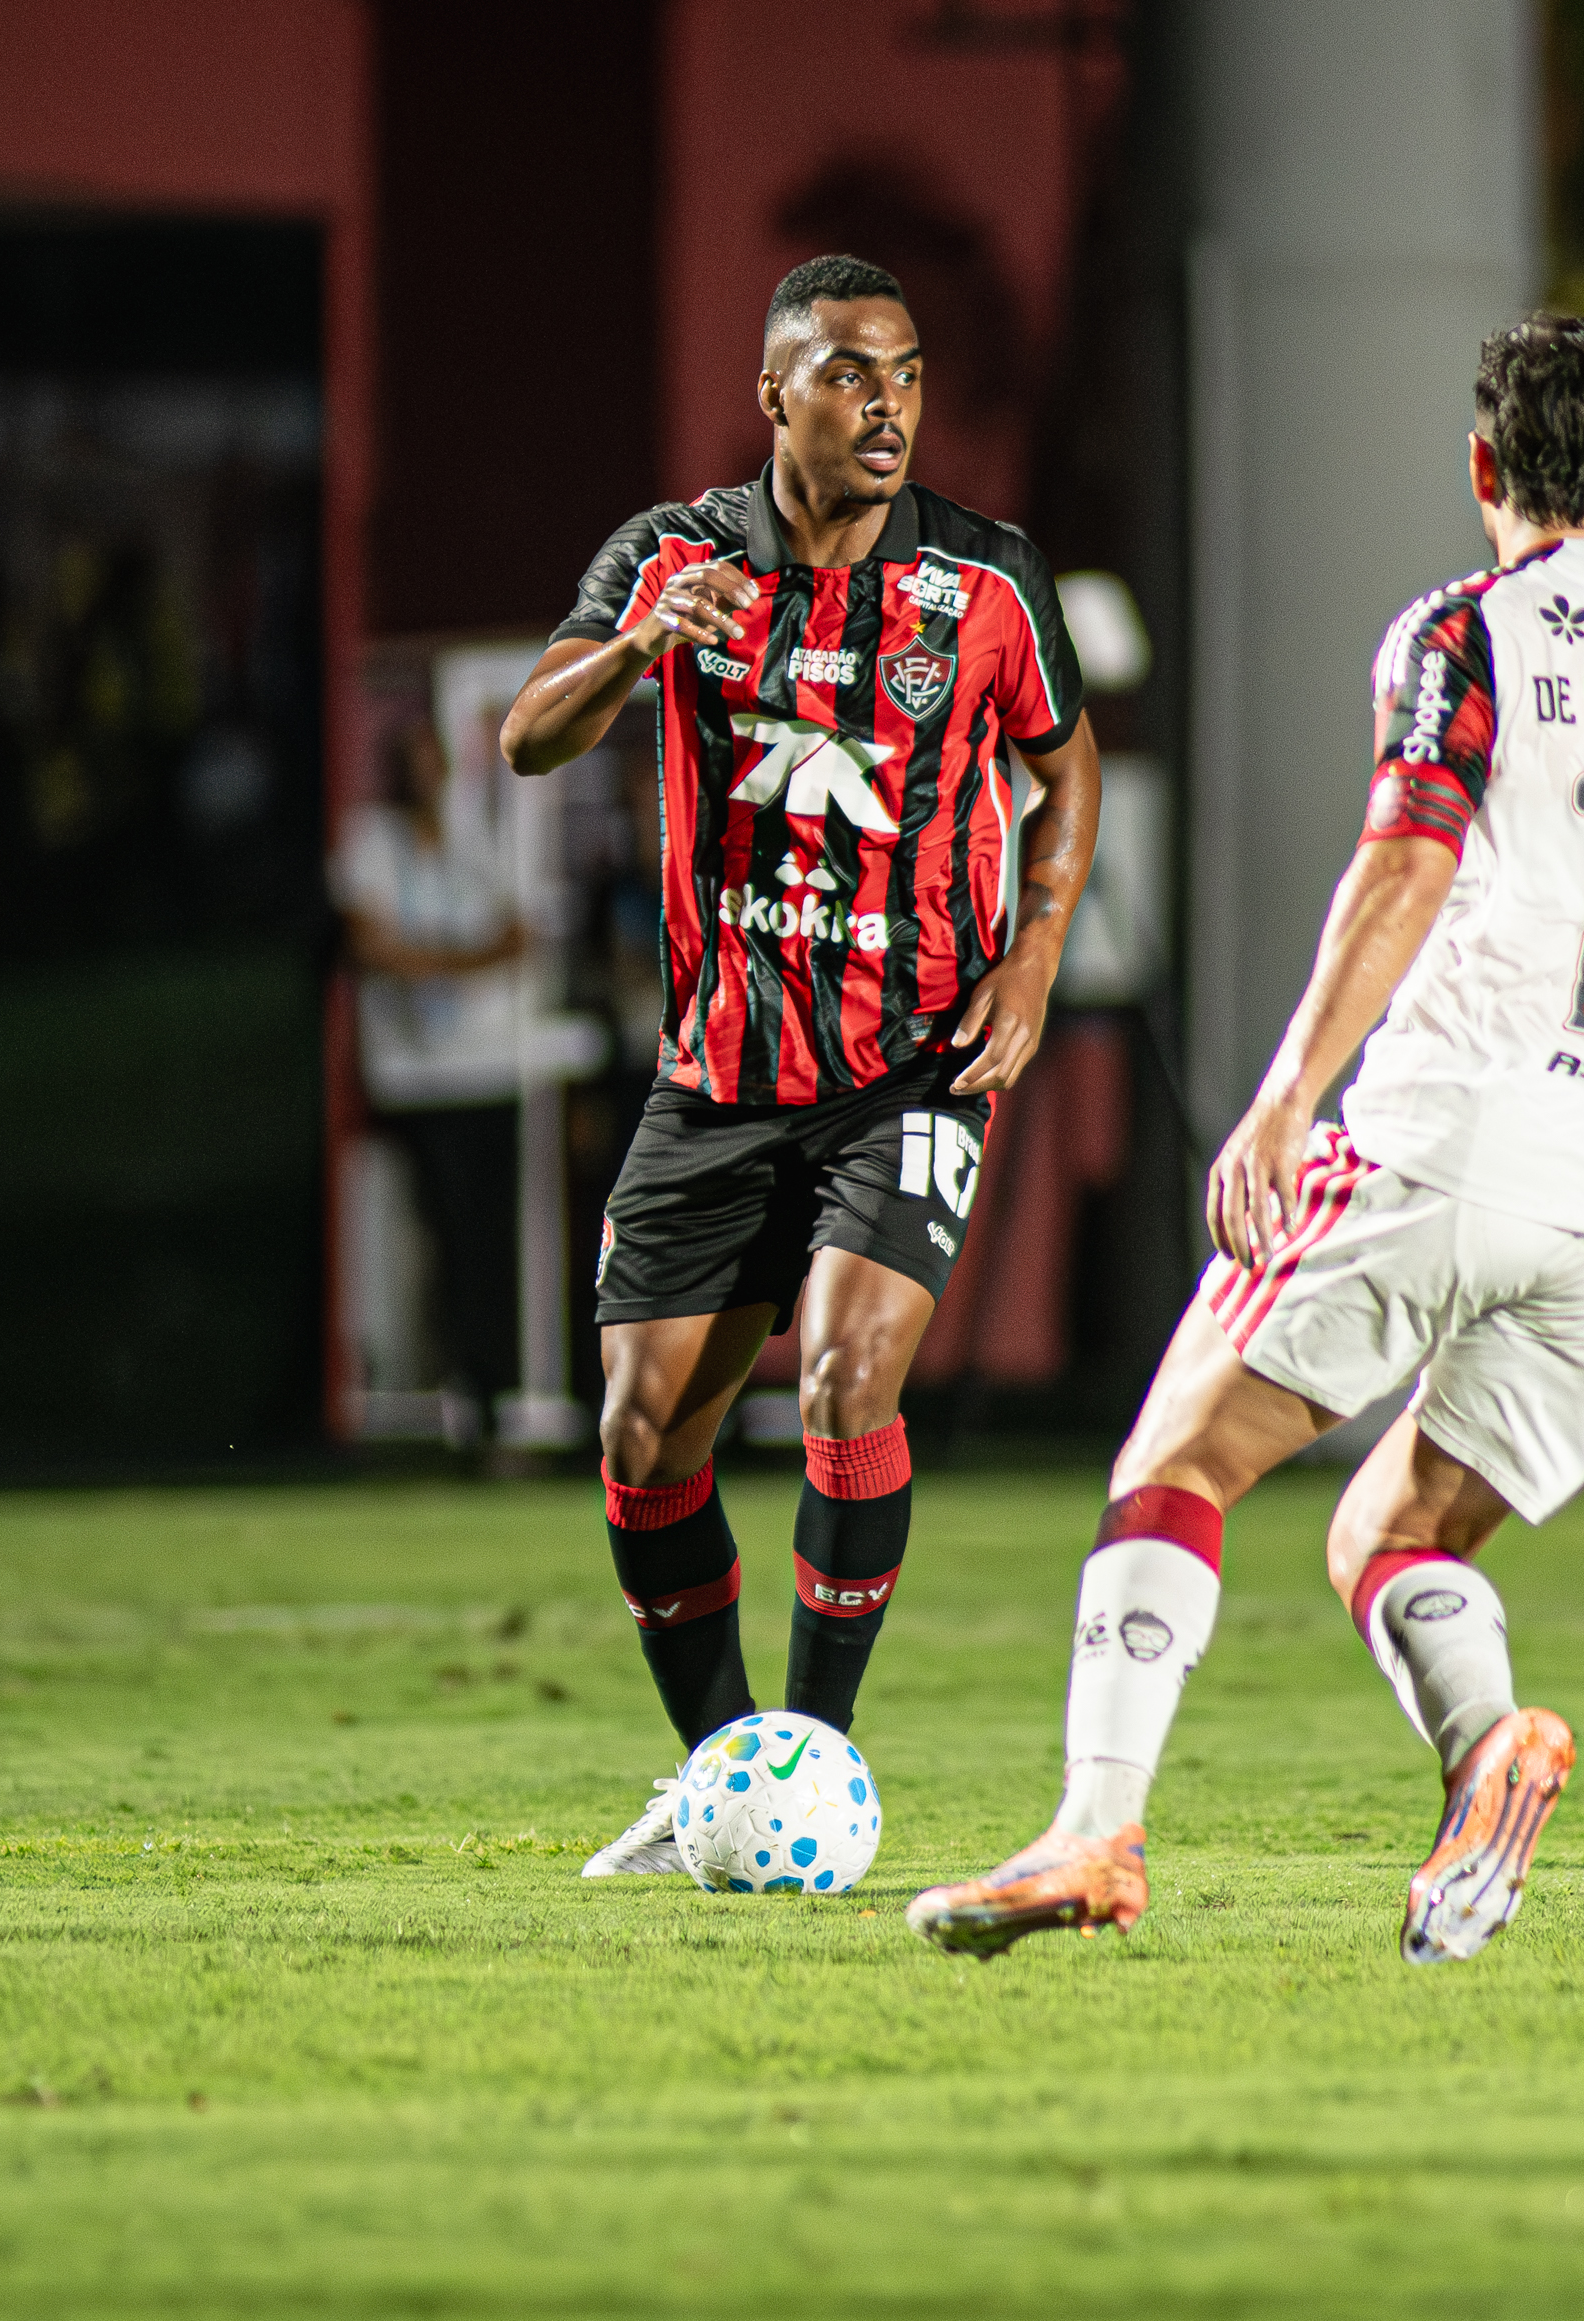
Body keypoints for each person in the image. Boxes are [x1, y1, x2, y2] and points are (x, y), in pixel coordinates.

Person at [906, 313, 1584, 1965]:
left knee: (1178, 1464)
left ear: (1482, 467)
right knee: (1396, 1531)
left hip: (1455, 1141)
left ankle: (1094, 1833)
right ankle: (1486, 1747)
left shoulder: (1468, 632)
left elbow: (1405, 862)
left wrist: (1289, 1095)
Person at [495, 253, 1102, 1874]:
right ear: (775, 396)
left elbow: (1064, 760)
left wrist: (1037, 946)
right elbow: (526, 736)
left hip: (912, 1059)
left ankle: (816, 1752)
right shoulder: (673, 558)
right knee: (639, 1433)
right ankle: (728, 1775)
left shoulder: (982, 581)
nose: (885, 400)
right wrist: (633, 644)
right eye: (846, 372)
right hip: (719, 1072)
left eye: (903, 371)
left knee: (846, 1372)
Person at [336, 719, 533, 1446]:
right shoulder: (370, 844)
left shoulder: (472, 845)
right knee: (441, 1243)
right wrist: (467, 959)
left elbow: (522, 935)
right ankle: (459, 1394)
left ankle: (501, 1392)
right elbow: (374, 946)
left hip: (490, 1072)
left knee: (494, 1242)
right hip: (419, 1080)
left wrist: (434, 960)